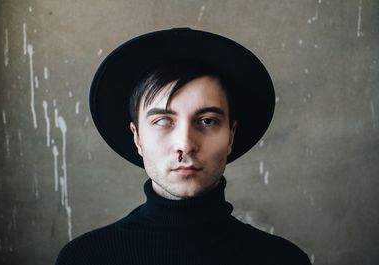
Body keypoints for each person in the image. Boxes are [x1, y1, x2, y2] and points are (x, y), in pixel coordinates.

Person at [55, 28, 311, 265]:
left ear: (230, 136)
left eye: (207, 121)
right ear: (137, 138)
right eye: (163, 121)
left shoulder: (282, 259)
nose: (185, 144)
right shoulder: (84, 258)